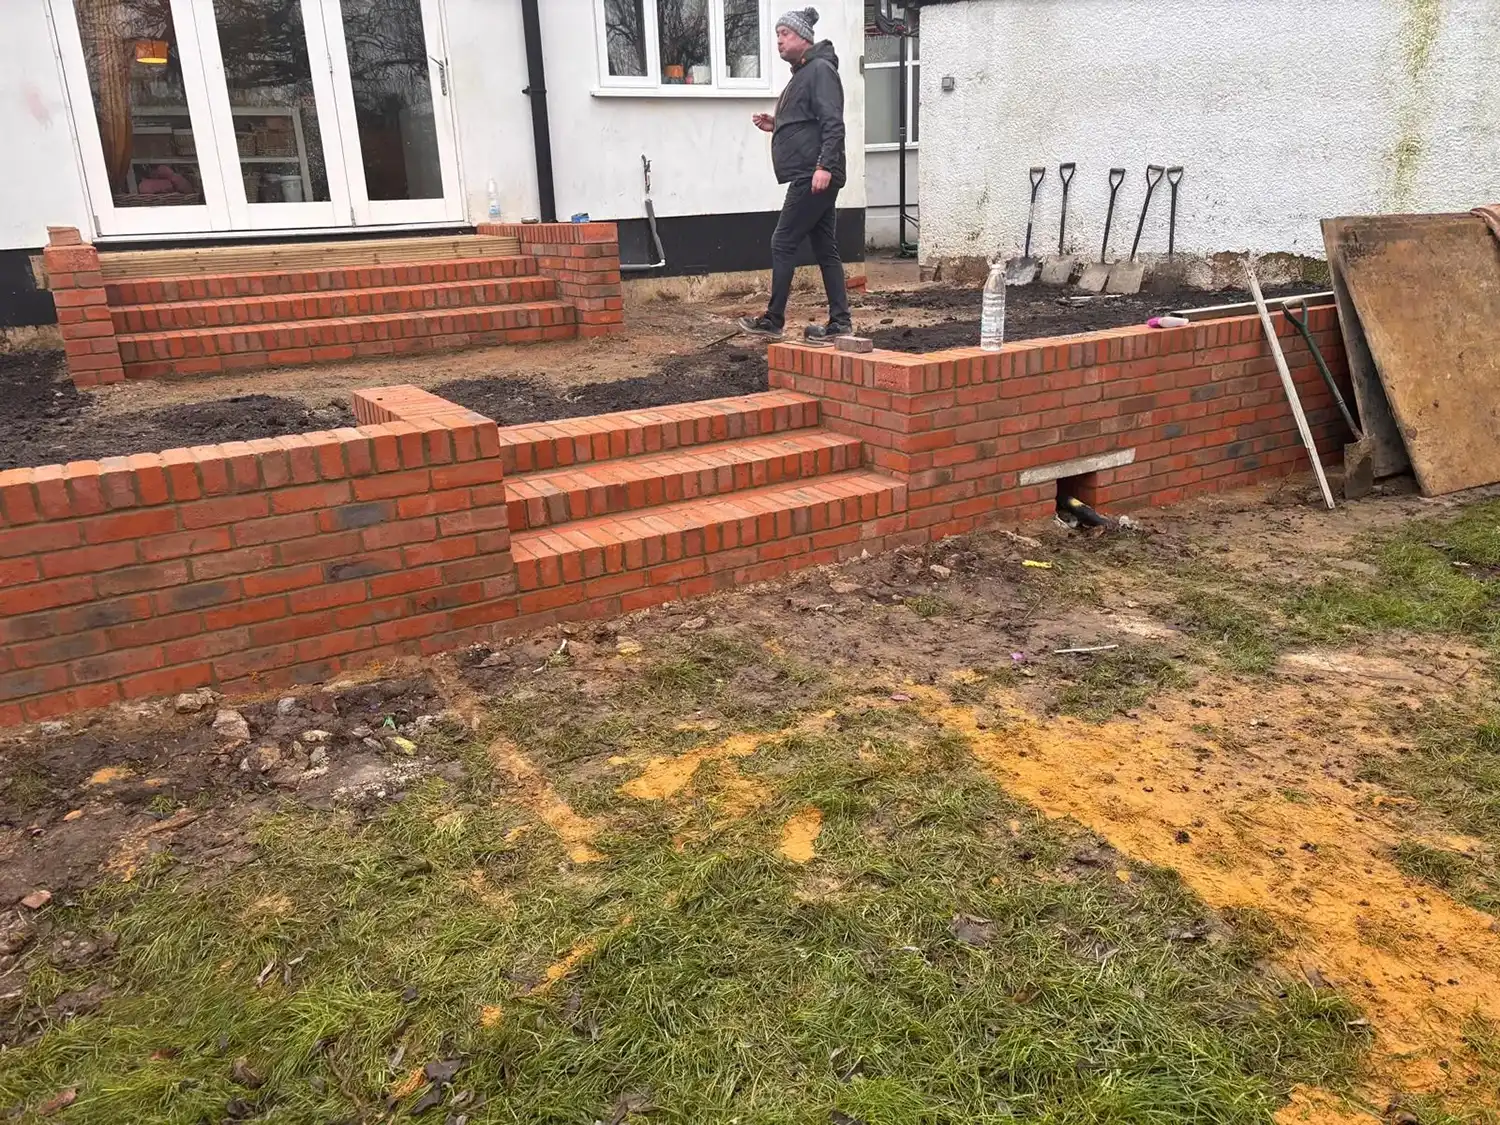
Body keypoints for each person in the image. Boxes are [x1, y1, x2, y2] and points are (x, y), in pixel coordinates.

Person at [738, 7, 851, 343]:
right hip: (812, 172)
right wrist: (778, 125)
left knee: (783, 241)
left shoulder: (819, 70)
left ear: (803, 37)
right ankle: (840, 323)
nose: (779, 41)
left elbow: (833, 122)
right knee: (824, 247)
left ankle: (773, 320)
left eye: (784, 34)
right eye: (777, 36)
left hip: (813, 174)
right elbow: (810, 121)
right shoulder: (804, 72)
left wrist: (824, 166)